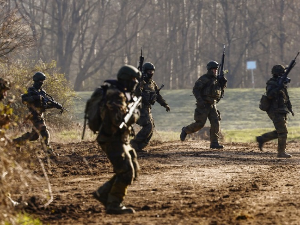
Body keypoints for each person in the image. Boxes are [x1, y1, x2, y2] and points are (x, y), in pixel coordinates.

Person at [92, 65, 141, 214]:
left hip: (120, 139)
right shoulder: (115, 94)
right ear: (126, 79)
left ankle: (103, 193)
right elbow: (118, 120)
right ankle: (114, 204)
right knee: (125, 172)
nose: (135, 82)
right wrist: (135, 115)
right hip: (111, 139)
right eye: (133, 79)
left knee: (133, 168)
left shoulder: (120, 93)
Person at [13, 72, 62, 155]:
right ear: (35, 81)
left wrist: (55, 105)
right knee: (44, 131)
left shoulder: (43, 92)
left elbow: (44, 106)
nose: (41, 83)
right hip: (33, 115)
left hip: (40, 115)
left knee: (35, 136)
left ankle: (18, 141)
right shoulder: (30, 90)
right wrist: (34, 98)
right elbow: (24, 100)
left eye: (42, 81)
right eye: (40, 81)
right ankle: (48, 152)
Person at [180, 61, 226, 148]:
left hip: (212, 105)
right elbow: (195, 90)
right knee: (200, 124)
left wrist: (223, 84)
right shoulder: (204, 79)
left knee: (216, 122)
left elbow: (219, 93)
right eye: (213, 69)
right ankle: (185, 130)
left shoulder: (217, 80)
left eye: (216, 70)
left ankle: (214, 143)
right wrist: (200, 101)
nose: (215, 71)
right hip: (203, 105)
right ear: (209, 70)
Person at [130, 62, 170, 152]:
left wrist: (165, 104)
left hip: (147, 108)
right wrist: (139, 85)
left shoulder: (152, 83)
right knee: (148, 126)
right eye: (149, 71)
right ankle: (134, 143)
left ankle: (139, 147)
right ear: (144, 71)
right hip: (139, 108)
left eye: (152, 71)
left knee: (151, 128)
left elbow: (158, 95)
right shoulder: (139, 82)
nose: (151, 73)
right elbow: (134, 93)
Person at [256, 65, 293, 158]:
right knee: (283, 132)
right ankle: (281, 152)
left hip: (281, 110)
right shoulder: (272, 83)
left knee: (280, 131)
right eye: (281, 73)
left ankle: (262, 138)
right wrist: (278, 88)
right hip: (275, 110)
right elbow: (269, 95)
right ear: (277, 73)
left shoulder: (282, 84)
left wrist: (290, 107)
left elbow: (286, 97)